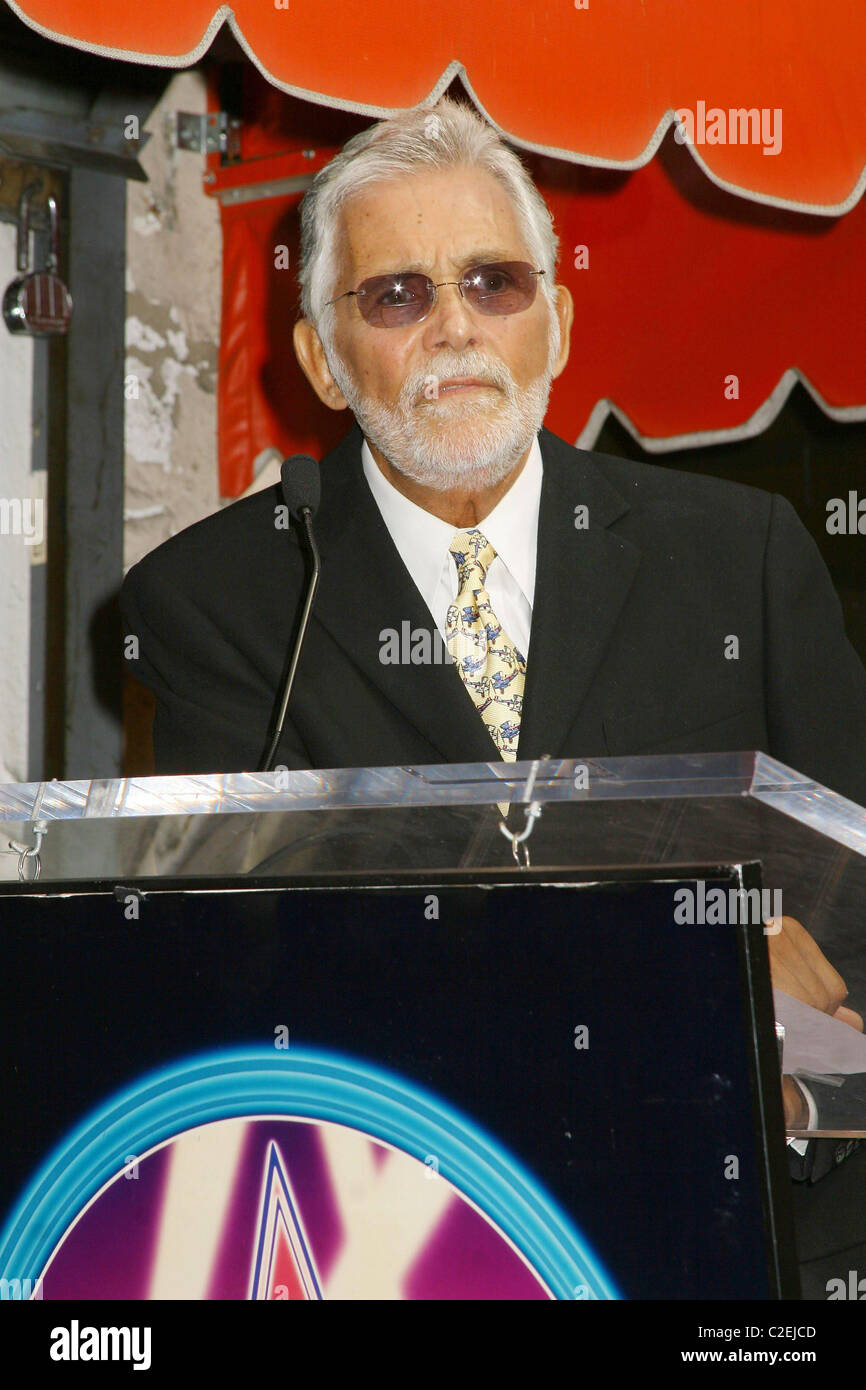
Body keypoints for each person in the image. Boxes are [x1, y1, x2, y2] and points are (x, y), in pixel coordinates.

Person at [120, 96, 866, 1298]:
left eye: (494, 282)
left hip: (740, 1242)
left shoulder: (740, 554)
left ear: (557, 323)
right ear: (320, 354)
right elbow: (233, 968)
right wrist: (684, 965)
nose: (455, 327)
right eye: (397, 296)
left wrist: (798, 1069)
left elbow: (857, 891)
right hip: (403, 1240)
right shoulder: (223, 602)